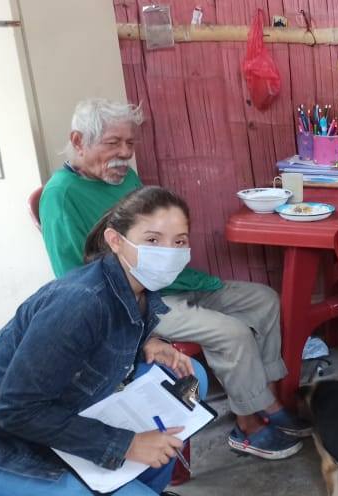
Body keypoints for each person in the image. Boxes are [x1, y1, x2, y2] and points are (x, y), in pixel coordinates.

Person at [39, 98, 307, 458]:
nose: (125, 154)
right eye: (113, 143)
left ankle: (266, 397)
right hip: (136, 301)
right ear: (78, 141)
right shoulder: (60, 196)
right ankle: (248, 425)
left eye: (130, 143)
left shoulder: (125, 178)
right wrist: (138, 329)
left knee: (264, 300)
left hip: (174, 281)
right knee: (232, 333)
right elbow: (72, 278)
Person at [0, 187, 214, 496]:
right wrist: (126, 444)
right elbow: (14, 410)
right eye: (152, 240)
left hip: (42, 432)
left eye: (179, 242)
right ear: (115, 240)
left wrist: (146, 342)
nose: (168, 253)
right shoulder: (81, 301)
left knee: (186, 379)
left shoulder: (134, 288)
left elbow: (94, 347)